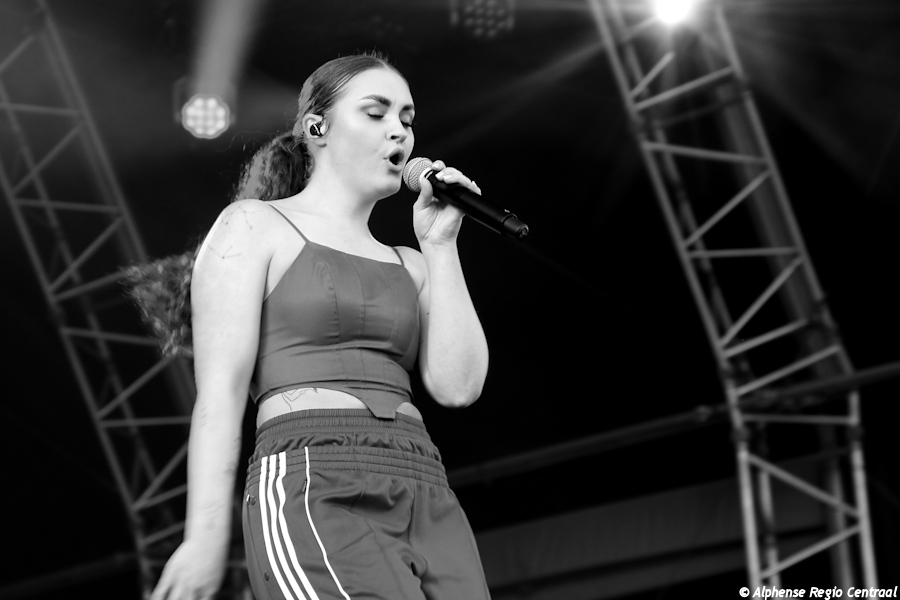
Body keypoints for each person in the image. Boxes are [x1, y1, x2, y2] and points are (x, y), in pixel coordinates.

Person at [126, 52, 491, 600]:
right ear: (317, 128)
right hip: (312, 473)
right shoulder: (254, 226)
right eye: (376, 113)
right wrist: (204, 538)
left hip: (423, 480)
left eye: (407, 119)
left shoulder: (412, 264)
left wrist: (441, 245)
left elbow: (459, 387)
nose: (399, 130)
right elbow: (220, 395)